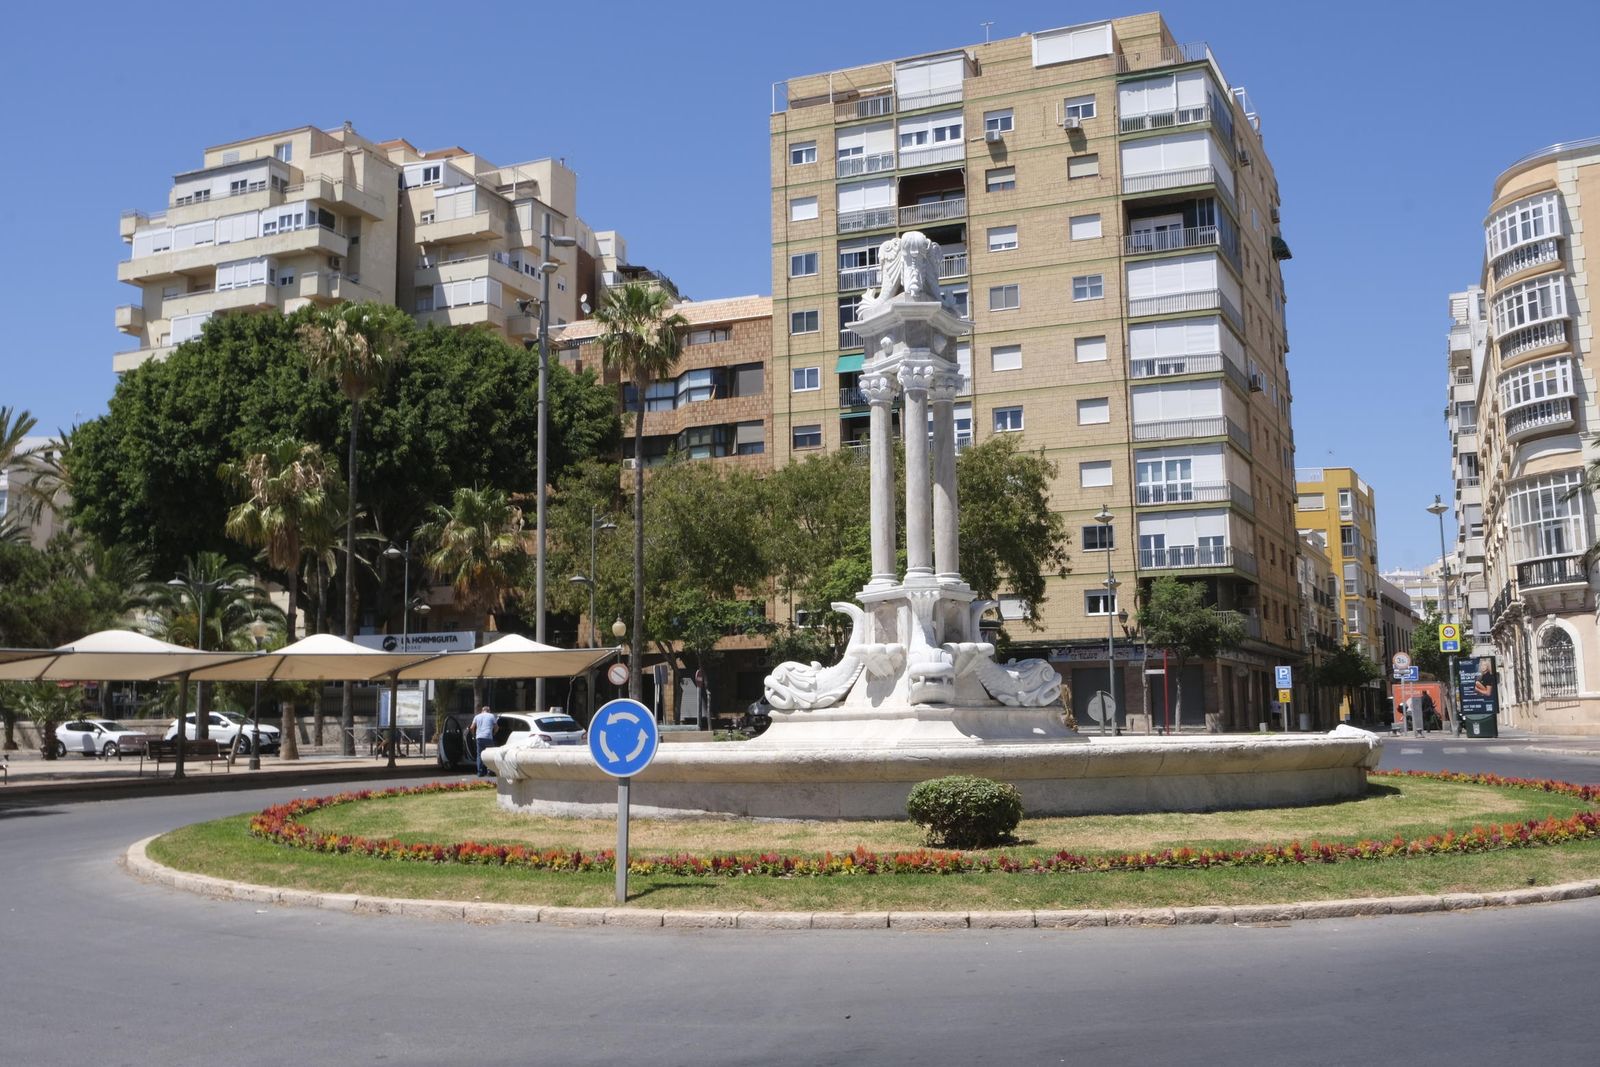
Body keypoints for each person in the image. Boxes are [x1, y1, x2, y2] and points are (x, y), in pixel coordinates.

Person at [471, 704, 498, 777]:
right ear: (488, 710)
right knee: (490, 754)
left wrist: (473, 735)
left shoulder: (477, 716)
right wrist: (494, 733)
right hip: (488, 737)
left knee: (479, 755)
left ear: (482, 711)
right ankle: (490, 771)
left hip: (479, 738)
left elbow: (471, 727)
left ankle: (480, 772)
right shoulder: (491, 716)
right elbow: (496, 727)